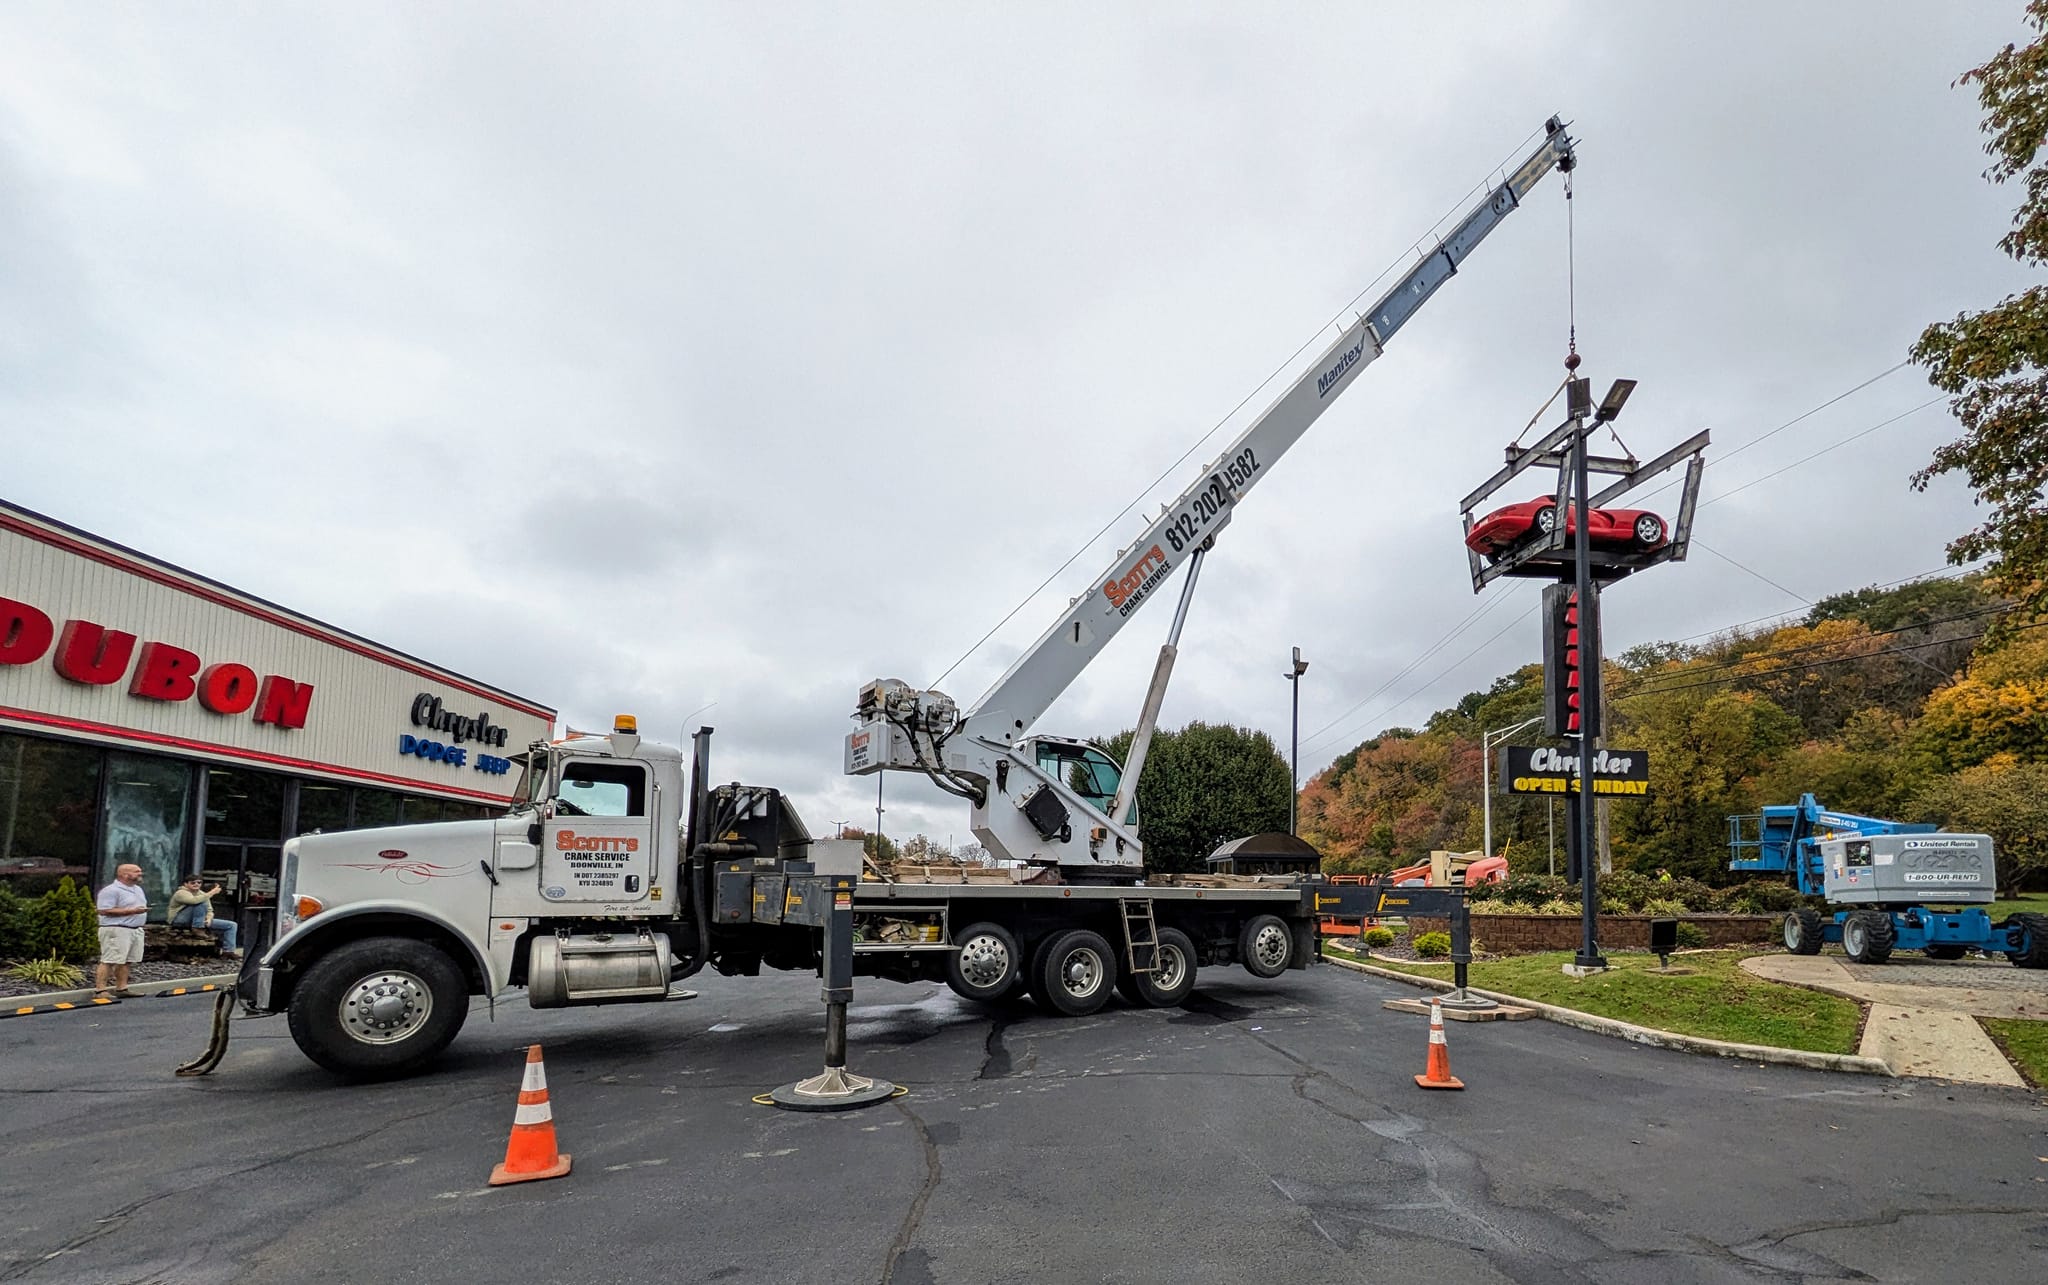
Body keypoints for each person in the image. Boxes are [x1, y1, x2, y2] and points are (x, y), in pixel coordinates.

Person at [94, 863, 148, 998]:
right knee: (109, 959)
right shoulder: (111, 890)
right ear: (124, 874)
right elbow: (103, 910)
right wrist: (132, 911)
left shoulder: (138, 889)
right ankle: (100, 990)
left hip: (135, 929)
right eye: (137, 872)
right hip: (117, 929)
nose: (140, 874)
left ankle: (122, 988)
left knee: (127, 960)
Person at [167, 876, 239, 957]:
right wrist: (212, 892)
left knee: (231, 925)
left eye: (199, 882)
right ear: (186, 884)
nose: (196, 884)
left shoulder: (203, 894)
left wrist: (208, 919)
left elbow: (210, 910)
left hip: (199, 920)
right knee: (200, 903)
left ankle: (228, 951)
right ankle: (197, 928)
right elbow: (194, 901)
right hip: (179, 920)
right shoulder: (180, 893)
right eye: (193, 882)